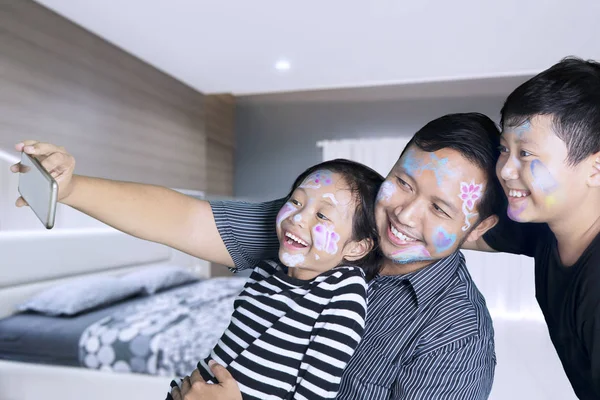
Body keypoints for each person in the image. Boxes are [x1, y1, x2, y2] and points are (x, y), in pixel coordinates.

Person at [12, 112, 502, 399]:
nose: (404, 214)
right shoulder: (305, 229)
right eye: (402, 182)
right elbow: (185, 218)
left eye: (439, 208)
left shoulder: (456, 343)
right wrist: (70, 187)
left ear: (479, 228)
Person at [167, 159, 384, 400]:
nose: (298, 218)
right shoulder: (266, 270)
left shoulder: (344, 291)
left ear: (356, 248)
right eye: (295, 201)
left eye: (322, 215)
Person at [466, 57, 600, 400]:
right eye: (503, 150)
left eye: (525, 153)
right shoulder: (545, 228)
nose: (506, 170)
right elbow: (445, 229)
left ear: (595, 168)